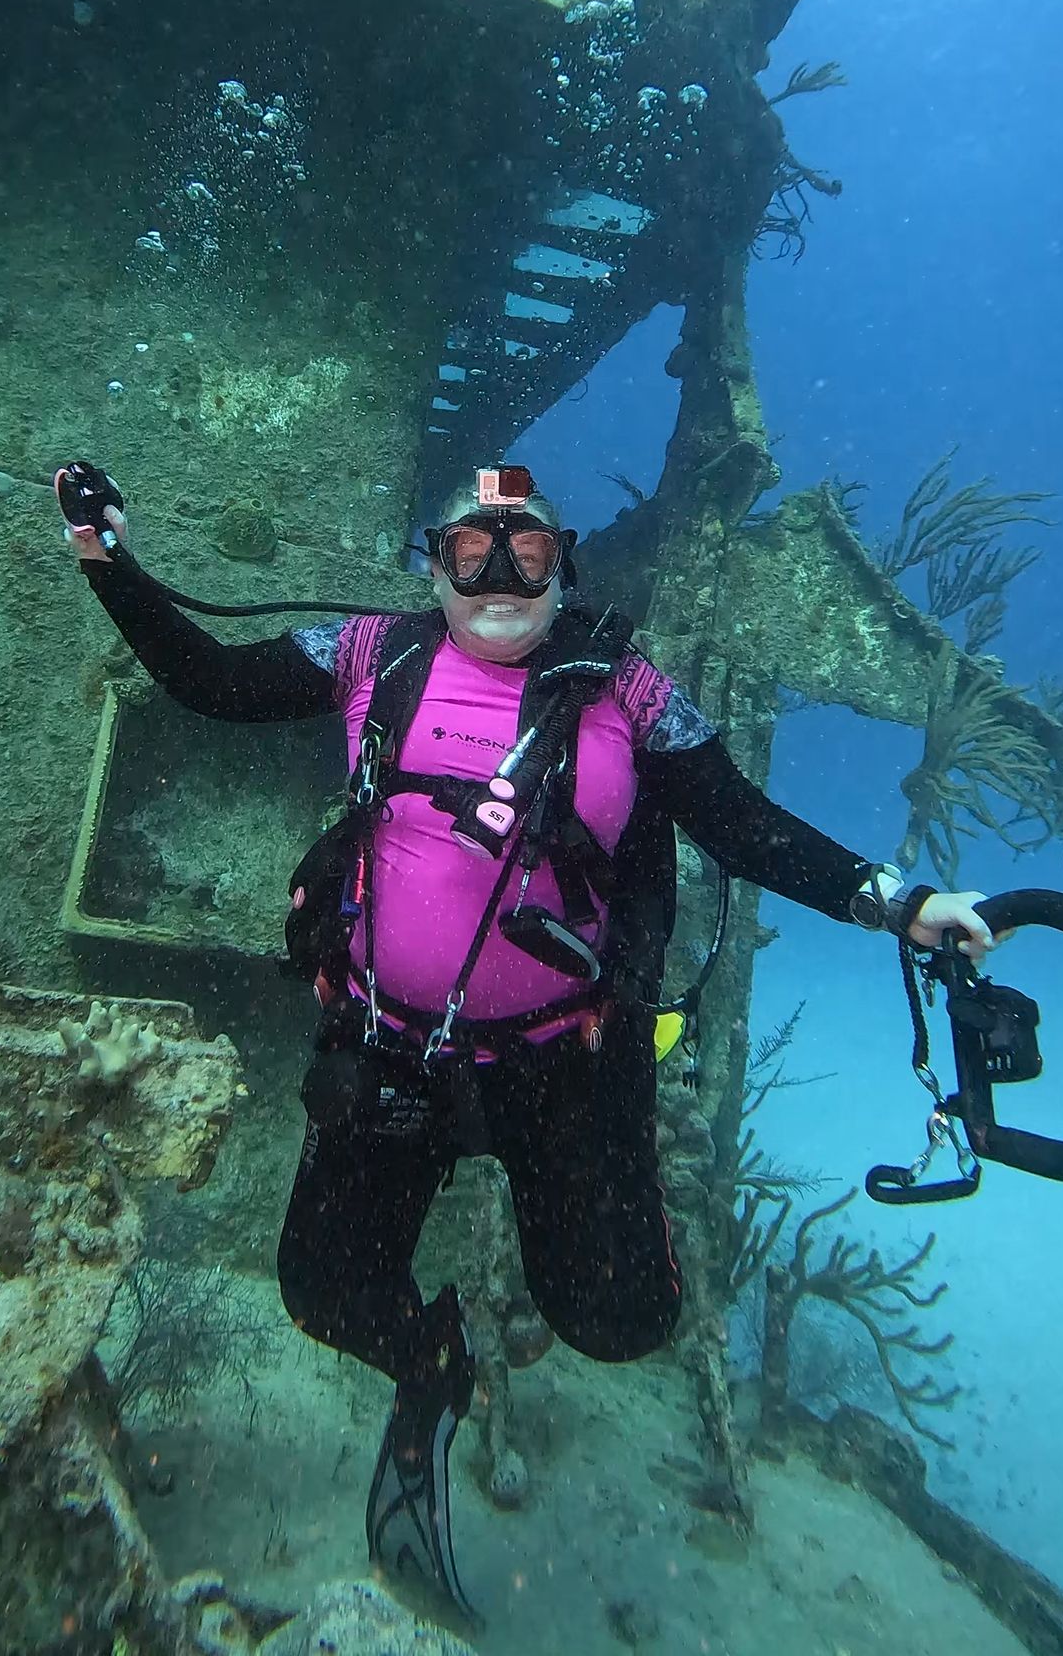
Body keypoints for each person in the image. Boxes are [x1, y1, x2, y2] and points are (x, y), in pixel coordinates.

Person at [59, 460, 994, 1618]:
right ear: (434, 564)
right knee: (322, 1290)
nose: (500, 577)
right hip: (393, 1051)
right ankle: (433, 1368)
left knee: (619, 1320)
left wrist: (897, 900)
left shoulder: (634, 693)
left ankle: (607, 1210)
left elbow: (745, 827)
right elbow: (205, 679)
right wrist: (110, 563)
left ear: (565, 570)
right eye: (473, 551)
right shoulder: (368, 655)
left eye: (530, 553)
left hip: (563, 1061)